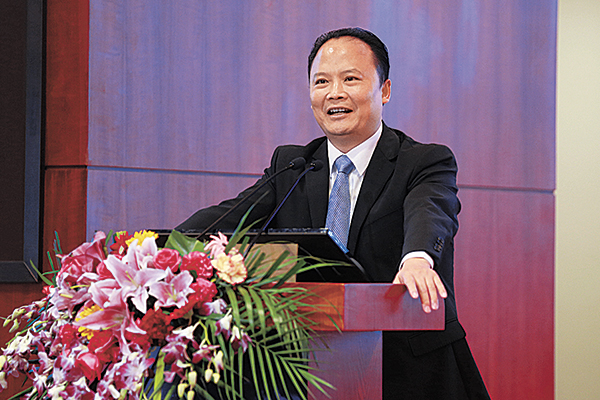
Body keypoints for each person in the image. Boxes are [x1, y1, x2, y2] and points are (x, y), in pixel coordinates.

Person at [177, 27, 490, 400]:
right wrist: (158, 249)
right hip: (305, 370)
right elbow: (227, 218)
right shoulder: (292, 166)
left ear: (385, 90)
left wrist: (418, 259)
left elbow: (431, 211)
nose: (334, 93)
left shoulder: (422, 161)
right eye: (321, 81)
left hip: (410, 370)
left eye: (350, 79)